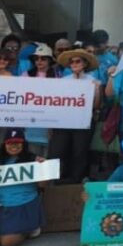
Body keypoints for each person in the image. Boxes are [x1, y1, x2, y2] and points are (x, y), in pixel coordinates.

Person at [0, 129, 46, 246]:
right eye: (10, 142)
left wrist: (44, 168)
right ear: (4, 144)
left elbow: (42, 186)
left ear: (23, 144)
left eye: (18, 142)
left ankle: (29, 229)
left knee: (7, 243)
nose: (14, 145)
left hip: (22, 204)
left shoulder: (33, 160)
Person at [49, 48, 101, 183]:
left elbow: (96, 106)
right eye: (72, 62)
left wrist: (97, 91)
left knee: (80, 152)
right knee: (59, 151)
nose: (74, 64)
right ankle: (57, 181)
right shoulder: (63, 81)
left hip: (83, 122)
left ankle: (76, 182)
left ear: (85, 64)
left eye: (77, 61)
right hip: (64, 122)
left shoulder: (93, 81)